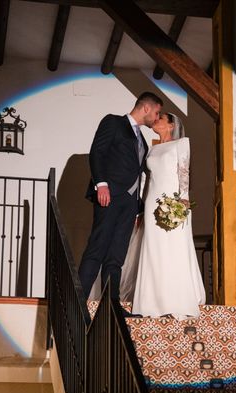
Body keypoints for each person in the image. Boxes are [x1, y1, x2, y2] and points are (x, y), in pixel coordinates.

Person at [78, 92, 162, 317]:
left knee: (116, 257)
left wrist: (138, 208)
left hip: (129, 203)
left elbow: (139, 173)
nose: (156, 117)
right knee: (97, 248)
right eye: (156, 112)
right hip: (110, 195)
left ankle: (113, 309)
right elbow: (98, 152)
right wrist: (101, 185)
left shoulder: (142, 140)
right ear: (146, 108)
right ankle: (78, 304)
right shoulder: (113, 122)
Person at [132, 112, 206, 318]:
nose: (155, 121)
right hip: (151, 204)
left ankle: (176, 298)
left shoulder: (181, 144)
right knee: (153, 248)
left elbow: (184, 172)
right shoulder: (152, 149)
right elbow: (147, 180)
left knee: (173, 247)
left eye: (160, 118)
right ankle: (151, 300)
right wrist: (140, 207)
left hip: (173, 201)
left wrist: (182, 201)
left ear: (171, 125)